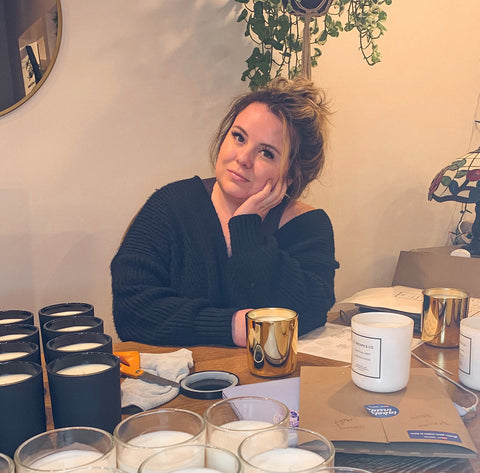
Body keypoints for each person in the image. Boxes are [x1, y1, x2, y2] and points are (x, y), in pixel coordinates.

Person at [111, 76, 339, 347]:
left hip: (272, 383)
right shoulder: (170, 205)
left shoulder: (307, 226)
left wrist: (246, 228)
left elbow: (307, 313)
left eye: (266, 153)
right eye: (239, 137)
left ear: (290, 173)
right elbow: (132, 312)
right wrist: (233, 326)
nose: (243, 158)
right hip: (182, 384)